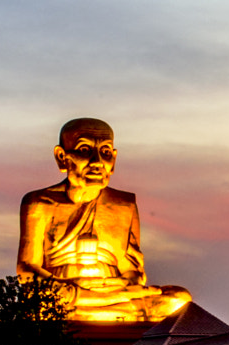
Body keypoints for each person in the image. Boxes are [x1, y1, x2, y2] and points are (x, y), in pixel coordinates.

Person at [17, 117, 192, 323]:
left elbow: (132, 270)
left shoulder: (124, 204)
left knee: (179, 299)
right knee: (40, 303)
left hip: (114, 289)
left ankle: (95, 309)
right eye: (84, 150)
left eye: (105, 152)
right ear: (61, 157)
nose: (97, 162)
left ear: (113, 160)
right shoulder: (39, 203)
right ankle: (102, 309)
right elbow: (26, 270)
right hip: (65, 293)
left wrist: (119, 286)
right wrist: (75, 290)